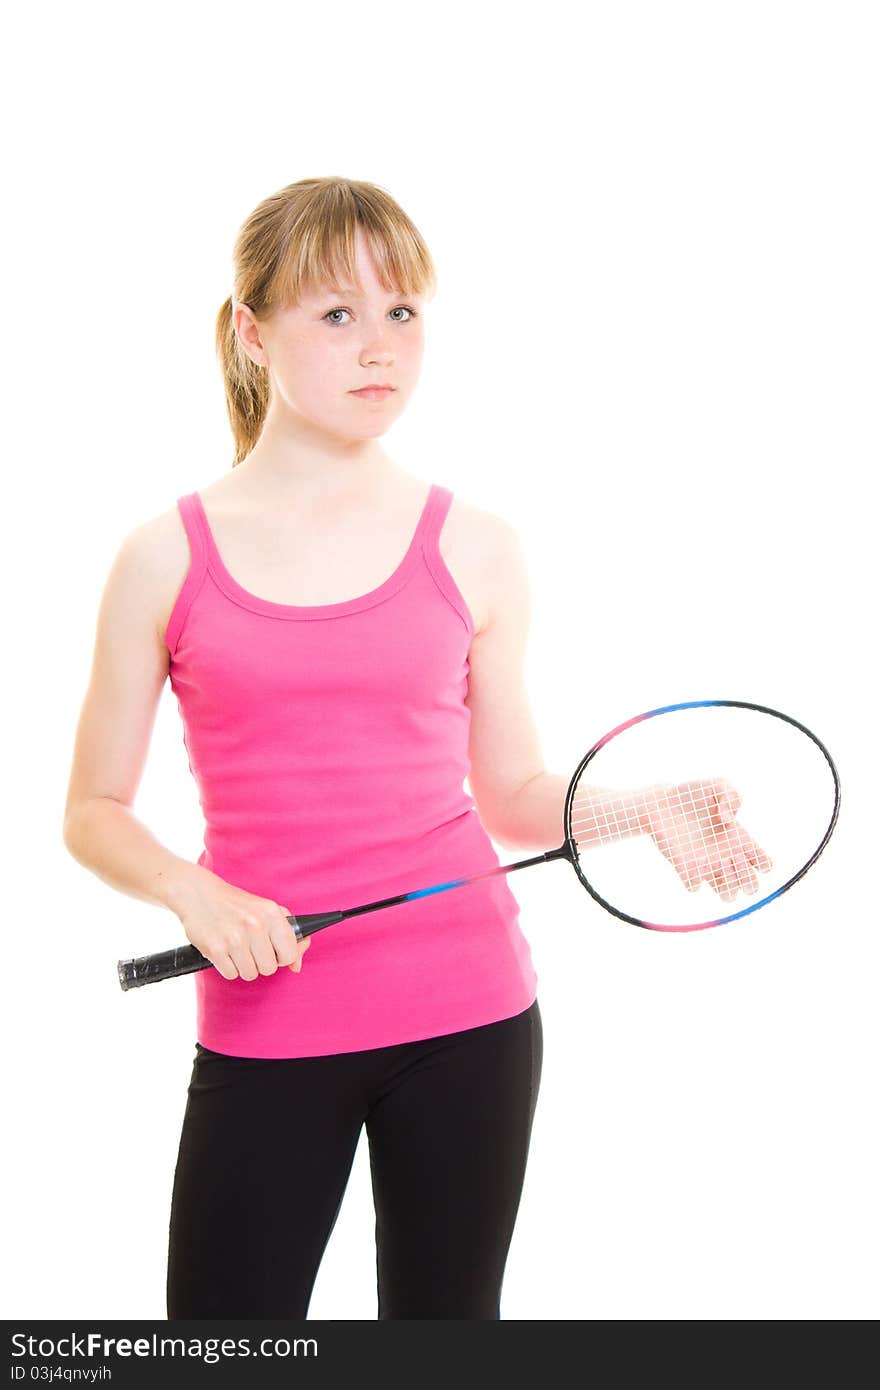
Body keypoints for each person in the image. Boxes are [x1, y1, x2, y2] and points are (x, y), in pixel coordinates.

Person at [62, 176, 551, 1320]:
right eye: (336, 314)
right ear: (251, 329)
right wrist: (195, 893)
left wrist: (648, 811)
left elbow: (518, 793)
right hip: (267, 1015)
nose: (379, 348)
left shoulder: (477, 544)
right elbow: (91, 807)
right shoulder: (162, 555)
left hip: (471, 1013)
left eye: (403, 312)